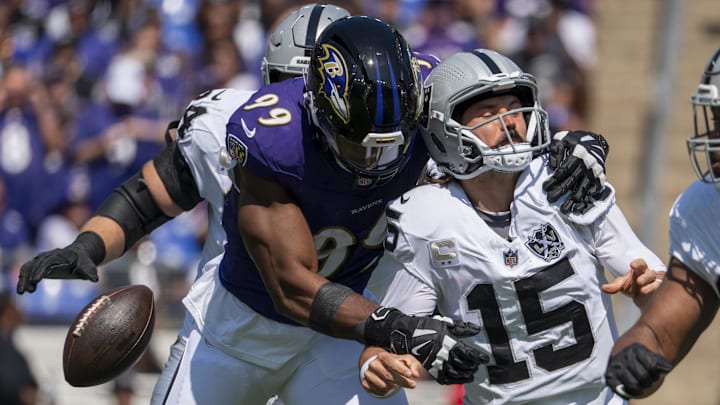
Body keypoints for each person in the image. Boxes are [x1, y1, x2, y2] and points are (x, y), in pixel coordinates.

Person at [161, 14, 613, 403]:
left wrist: (566, 148)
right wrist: (398, 326)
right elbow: (292, 286)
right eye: (364, 149)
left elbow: (495, 140)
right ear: (320, 114)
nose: (384, 161)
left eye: (397, 143)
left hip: (340, 333)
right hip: (240, 329)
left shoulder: (429, 89)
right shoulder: (271, 139)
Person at [14, 3, 353, 403]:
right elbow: (147, 199)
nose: (300, 106)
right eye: (287, 86)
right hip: (228, 331)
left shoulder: (394, 147)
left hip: (332, 339)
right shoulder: (228, 126)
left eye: (313, 92)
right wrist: (85, 246)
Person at [358, 49, 666, 404]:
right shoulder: (425, 218)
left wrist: (649, 287)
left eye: (514, 108)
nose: (511, 122)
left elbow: (654, 278)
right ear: (445, 129)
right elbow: (388, 338)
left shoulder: (566, 180)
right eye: (488, 113)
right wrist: (379, 368)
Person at [604, 48, 720, 400]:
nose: (715, 144)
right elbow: (658, 333)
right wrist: (636, 355)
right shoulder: (706, 207)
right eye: (716, 122)